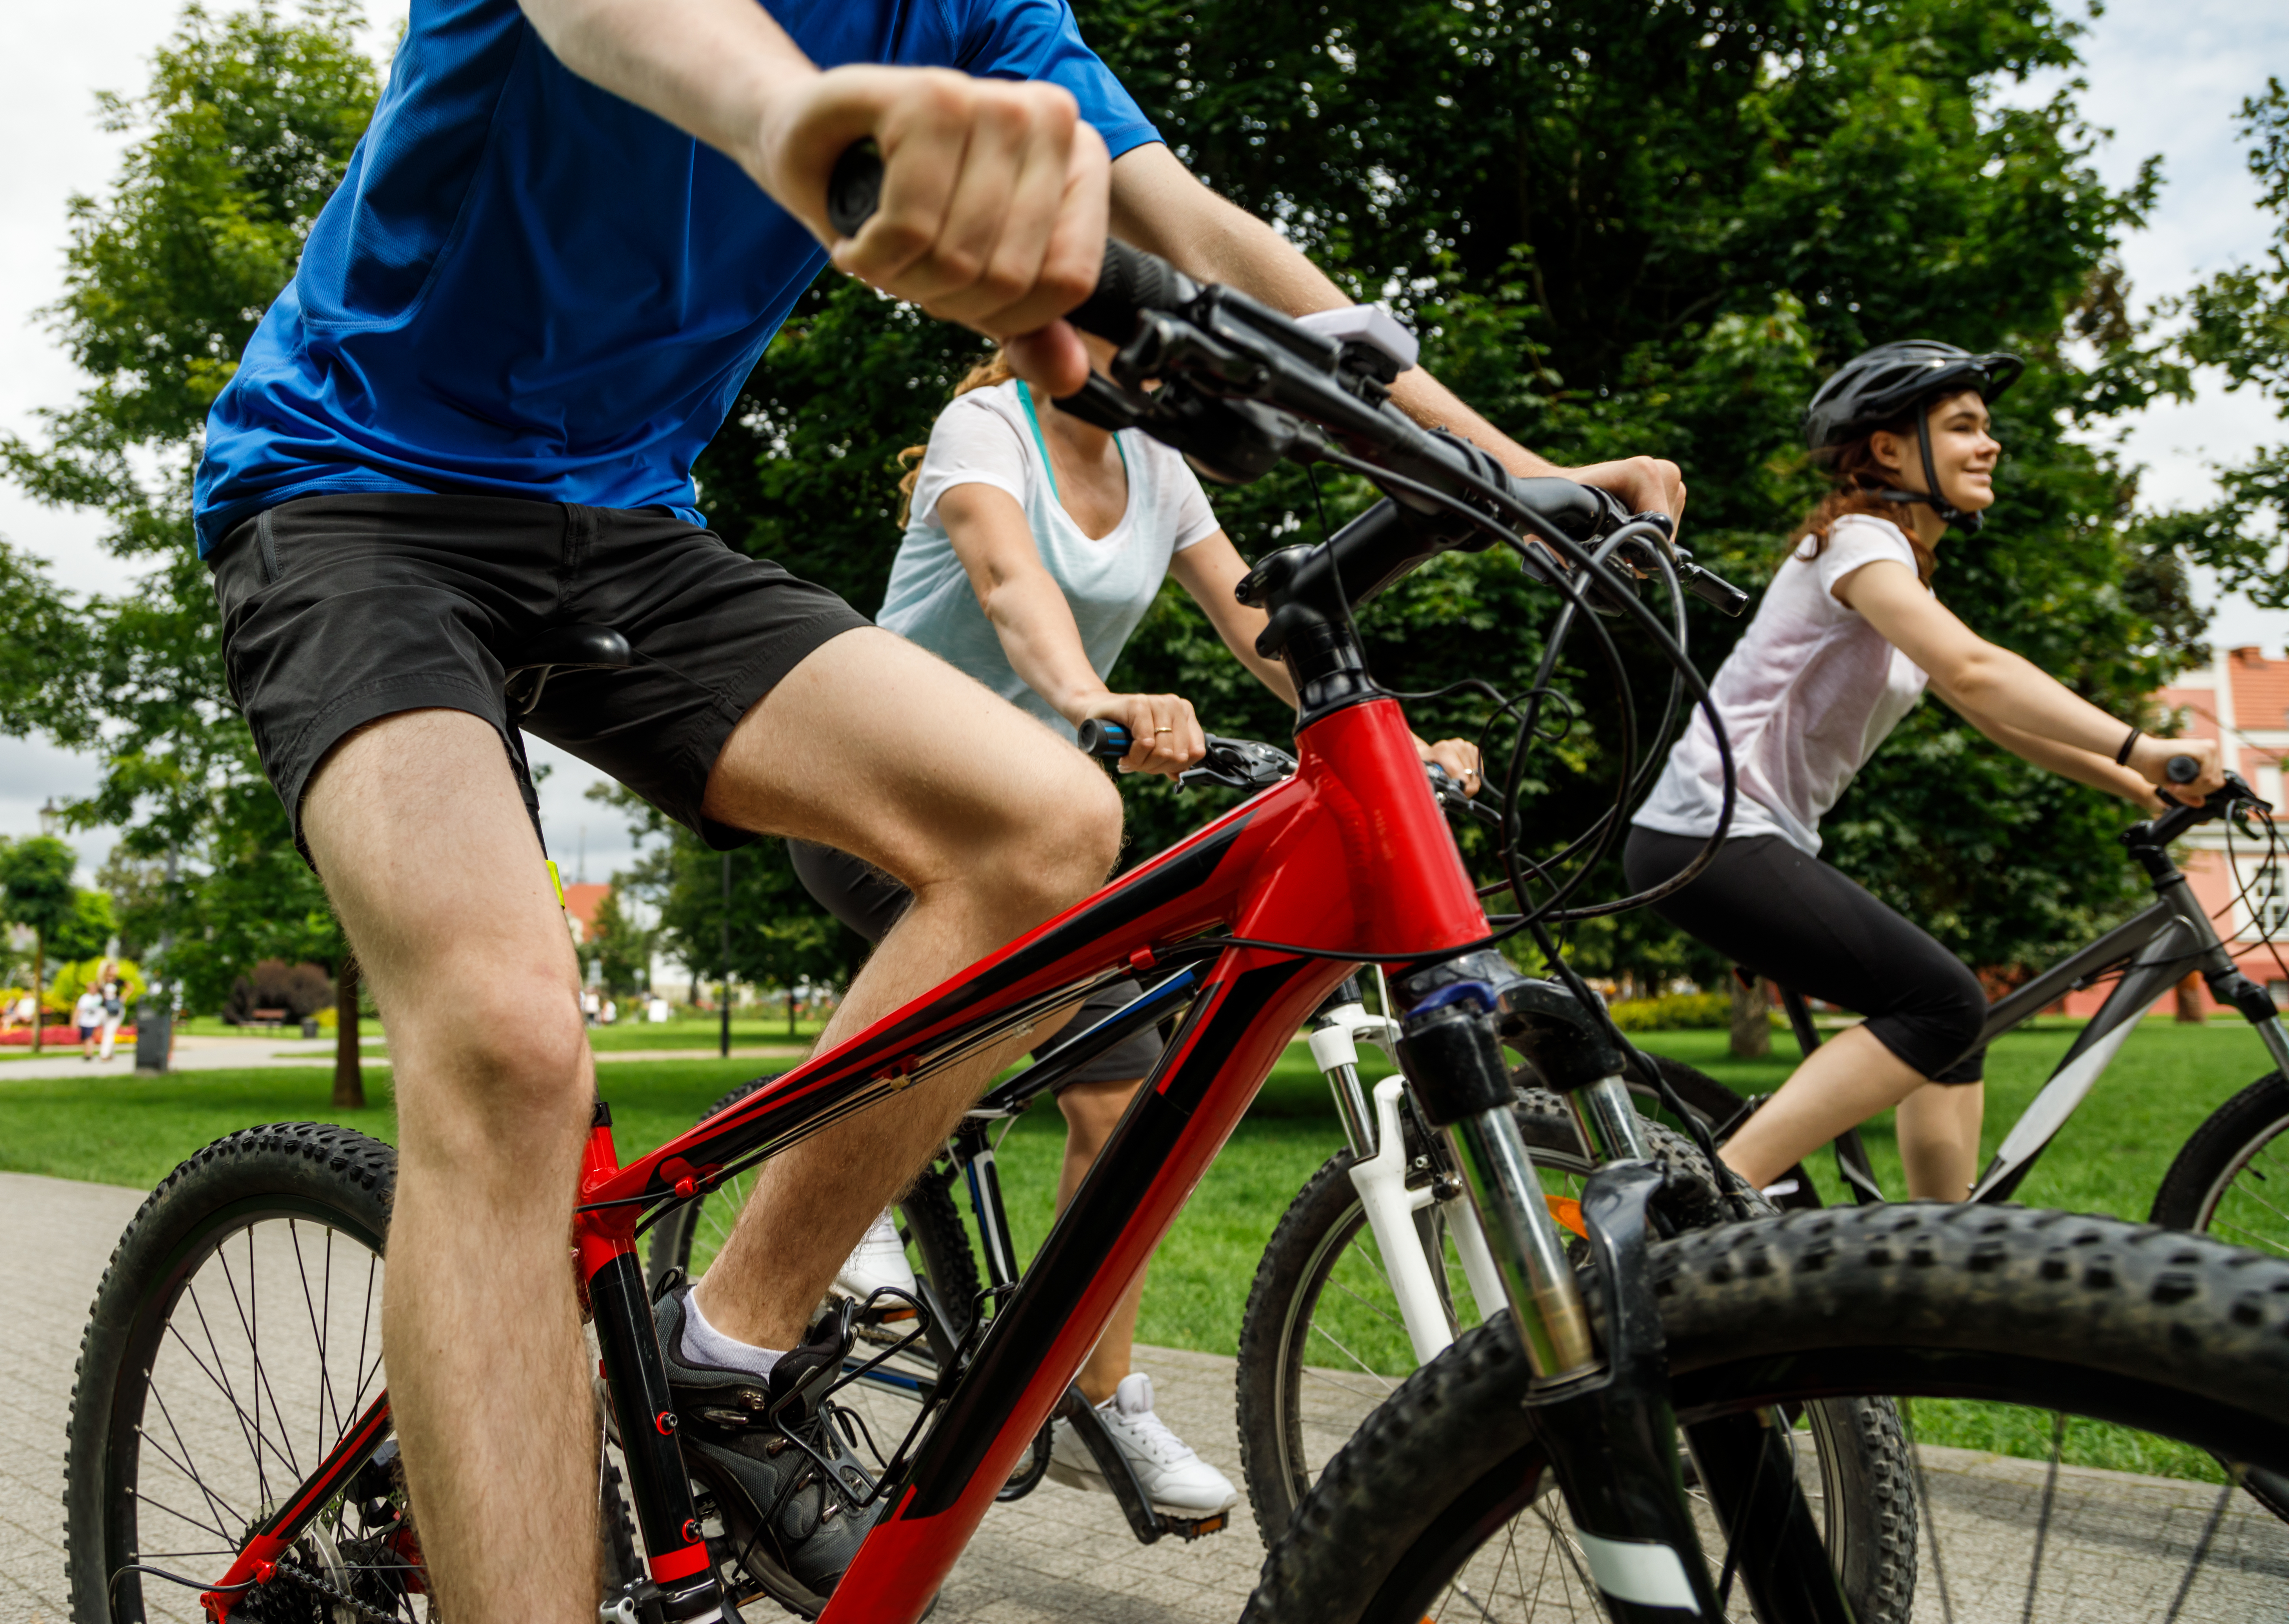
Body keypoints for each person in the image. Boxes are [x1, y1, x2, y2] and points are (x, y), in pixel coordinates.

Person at [192, 1, 1686, 1615]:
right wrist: (799, 120)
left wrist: (1509, 475)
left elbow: (1192, 222)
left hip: (620, 526)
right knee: (505, 1038)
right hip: (350, 500)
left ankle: (728, 1352)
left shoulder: (980, 12)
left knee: (1042, 823)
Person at [794, 342, 1482, 1515]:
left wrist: (1391, 743)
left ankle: (1098, 1397)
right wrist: (1090, 700)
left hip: (1023, 830)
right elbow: (1011, 584)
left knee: (1124, 1100)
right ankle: (843, 1206)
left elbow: (1261, 628)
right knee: (998, 1022)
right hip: (878, 794)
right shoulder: (987, 434)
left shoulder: (1160, 468)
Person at [1625, 340, 2224, 1203]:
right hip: (1711, 837)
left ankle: (1938, 1259)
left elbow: (1986, 709)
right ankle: (1710, 1197)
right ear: (1889, 450)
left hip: (1738, 842)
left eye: (1987, 428)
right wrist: (2146, 745)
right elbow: (1979, 670)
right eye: (1963, 426)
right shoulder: (1860, 545)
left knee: (1952, 1029)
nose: (1991, 445)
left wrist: (2132, 782)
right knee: (1940, 1002)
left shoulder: (1893, 571)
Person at [75, 985, 106, 1062]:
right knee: (85, 1038)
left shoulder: (100, 998)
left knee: (90, 1038)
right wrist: (75, 1020)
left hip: (94, 1022)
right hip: (84, 1021)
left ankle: (89, 1054)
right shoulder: (85, 998)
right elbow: (79, 1009)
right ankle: (87, 1053)